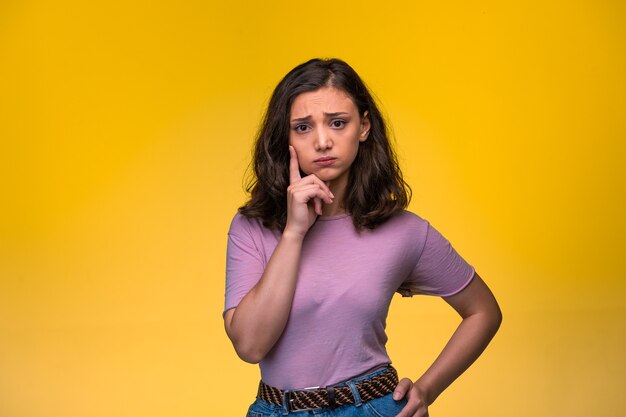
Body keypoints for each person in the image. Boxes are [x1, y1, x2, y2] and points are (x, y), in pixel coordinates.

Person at [223, 58, 502, 417]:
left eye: (338, 123)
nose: (323, 141)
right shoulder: (252, 227)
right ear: (285, 137)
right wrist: (294, 232)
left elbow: (483, 312)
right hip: (276, 409)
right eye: (303, 127)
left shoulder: (404, 231)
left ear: (364, 127)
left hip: (373, 407)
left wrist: (428, 389)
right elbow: (250, 346)